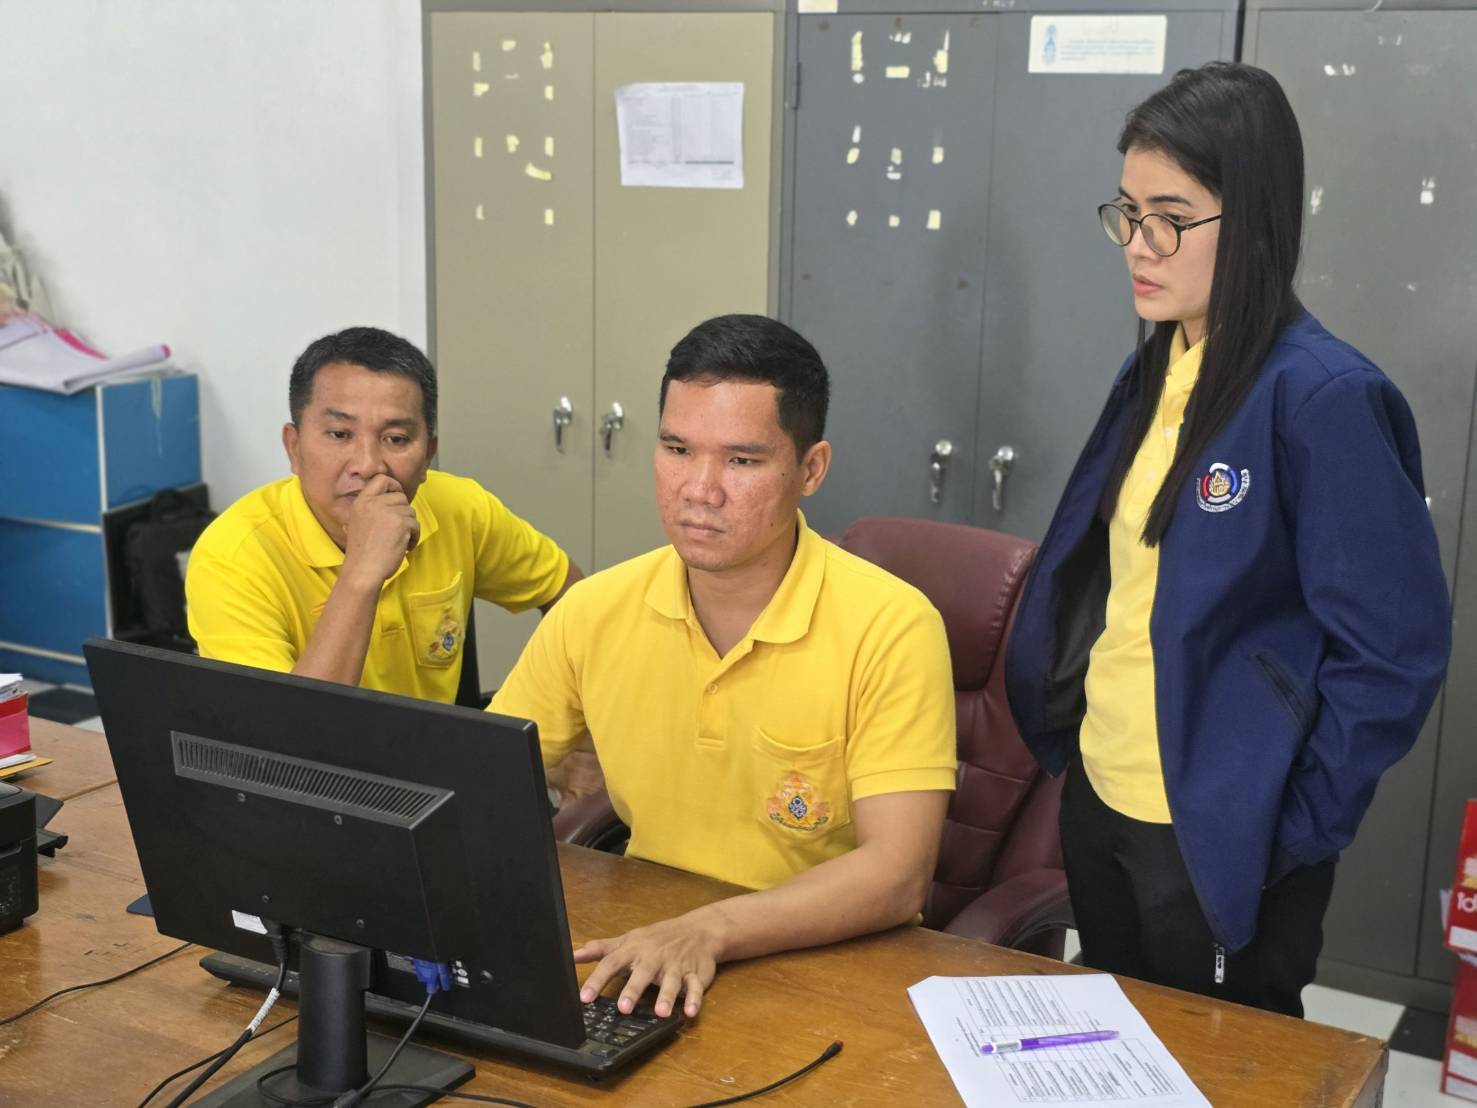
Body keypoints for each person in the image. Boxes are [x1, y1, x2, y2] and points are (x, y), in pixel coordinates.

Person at [1004, 62, 1451, 1017]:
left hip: (1220, 826)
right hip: (1103, 794)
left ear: (1251, 219)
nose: (1138, 245)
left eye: (1169, 218)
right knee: (1118, 1046)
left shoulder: (1322, 396)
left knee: (1225, 1065)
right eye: (1126, 213)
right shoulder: (1154, 369)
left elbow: (1393, 651)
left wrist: (1290, 825)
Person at [489, 314, 956, 1021]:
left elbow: (897, 875)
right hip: (650, 940)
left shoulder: (891, 625)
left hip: (827, 963)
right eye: (677, 449)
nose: (699, 489)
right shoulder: (593, 610)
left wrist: (710, 930)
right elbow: (478, 791)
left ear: (810, 469)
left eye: (741, 461)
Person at [186, 326, 581, 706]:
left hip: (436, 748)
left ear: (427, 456)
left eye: (396, 439)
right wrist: (362, 572)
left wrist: (554, 718)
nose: (368, 465)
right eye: (340, 434)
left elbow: (571, 594)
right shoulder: (231, 558)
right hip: (313, 753)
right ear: (294, 447)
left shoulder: (460, 507)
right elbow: (284, 737)